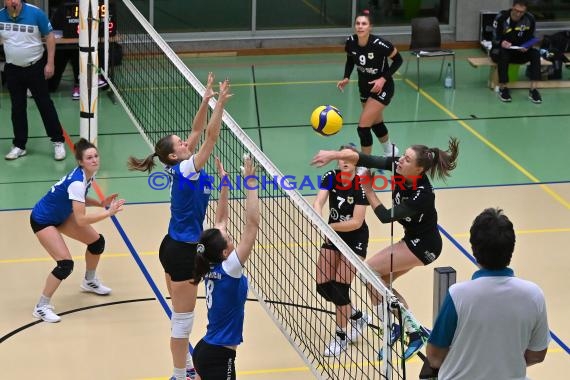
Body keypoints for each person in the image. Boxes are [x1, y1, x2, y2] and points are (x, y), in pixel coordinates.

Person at [311, 137, 459, 360]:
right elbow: (363, 157)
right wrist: (333, 154)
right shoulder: (399, 168)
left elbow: (386, 216)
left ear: (418, 169)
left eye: (407, 159)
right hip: (411, 239)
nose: (400, 161)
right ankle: (410, 329)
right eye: (403, 156)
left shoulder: (423, 194)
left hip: (424, 245)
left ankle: (404, 329)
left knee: (368, 272)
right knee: (382, 285)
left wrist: (368, 189)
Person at [127, 74, 231, 380]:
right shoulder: (187, 168)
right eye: (181, 144)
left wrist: (206, 99)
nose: (186, 143)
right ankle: (179, 374)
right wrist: (220, 105)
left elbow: (198, 130)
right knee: (183, 321)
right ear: (175, 154)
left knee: (179, 316)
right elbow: (209, 137)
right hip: (184, 251)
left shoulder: (177, 164)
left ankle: (184, 367)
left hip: (170, 246)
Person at [426, 208, 550, 379]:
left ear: (474, 249)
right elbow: (537, 354)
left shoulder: (458, 295)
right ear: (511, 248)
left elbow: (434, 357)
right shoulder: (533, 295)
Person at [30, 138, 125, 323]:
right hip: (43, 220)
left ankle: (89, 281)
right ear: (81, 162)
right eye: (89, 158)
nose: (94, 160)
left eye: (96, 156)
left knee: (97, 243)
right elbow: (80, 219)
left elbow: (79, 199)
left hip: (62, 214)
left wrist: (100, 203)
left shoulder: (86, 175)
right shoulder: (77, 182)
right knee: (65, 264)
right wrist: (108, 213)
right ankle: (41, 307)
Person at [192, 154, 259, 380]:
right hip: (219, 357)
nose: (232, 238)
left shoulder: (210, 261)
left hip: (206, 351)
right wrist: (250, 182)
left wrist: (225, 183)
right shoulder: (230, 268)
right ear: (224, 252)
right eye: (230, 239)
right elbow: (252, 225)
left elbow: (220, 222)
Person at [313, 143, 371, 357]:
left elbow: (356, 222)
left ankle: (341, 336)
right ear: (338, 160)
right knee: (323, 286)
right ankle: (356, 316)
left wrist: (329, 227)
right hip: (333, 235)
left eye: (350, 158)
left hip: (355, 239)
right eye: (342, 158)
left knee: (339, 289)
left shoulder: (361, 184)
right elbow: (319, 200)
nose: (345, 161)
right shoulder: (331, 175)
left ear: (356, 162)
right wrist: (318, 216)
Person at [0, 0, 67, 160]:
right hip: (13, 69)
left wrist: (50, 63)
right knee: (17, 108)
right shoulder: (1, 16)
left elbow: (49, 37)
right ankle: (19, 145)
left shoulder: (36, 13)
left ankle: (58, 141)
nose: (12, 2)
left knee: (45, 105)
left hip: (35, 67)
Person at [337, 10, 403, 157]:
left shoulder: (381, 45)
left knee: (363, 127)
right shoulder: (350, 42)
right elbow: (350, 59)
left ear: (370, 27)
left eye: (364, 24)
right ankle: (390, 151)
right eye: (358, 23)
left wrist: (383, 79)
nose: (360, 26)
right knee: (375, 123)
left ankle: (365, 165)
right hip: (365, 88)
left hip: (383, 88)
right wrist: (346, 77)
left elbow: (399, 60)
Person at [492, 0, 542, 103]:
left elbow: (533, 37)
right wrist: (501, 42)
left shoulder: (530, 19)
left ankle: (533, 90)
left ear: (525, 11)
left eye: (521, 12)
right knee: (503, 54)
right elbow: (493, 37)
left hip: (520, 51)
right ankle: (503, 88)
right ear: (512, 7)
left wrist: (527, 46)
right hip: (502, 50)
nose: (518, 14)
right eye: (516, 10)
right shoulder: (501, 17)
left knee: (535, 54)